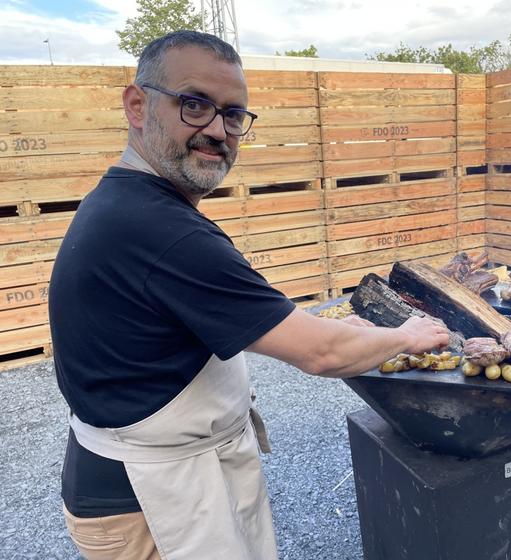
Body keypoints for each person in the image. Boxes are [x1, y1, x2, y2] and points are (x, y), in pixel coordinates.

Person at [48, 30, 449, 560]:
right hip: (152, 500)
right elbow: (320, 353)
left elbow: (250, 316)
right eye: (195, 105)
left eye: (233, 115)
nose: (217, 129)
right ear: (137, 104)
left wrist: (343, 327)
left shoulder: (130, 203)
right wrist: (406, 335)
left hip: (152, 477)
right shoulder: (162, 230)